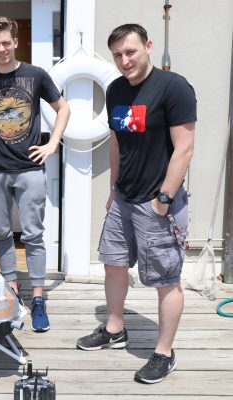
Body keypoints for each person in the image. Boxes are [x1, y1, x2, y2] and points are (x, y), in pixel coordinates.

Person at [76, 24, 196, 384]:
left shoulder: (174, 87)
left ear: (148, 46)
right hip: (124, 197)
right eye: (117, 55)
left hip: (157, 202)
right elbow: (117, 142)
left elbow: (185, 148)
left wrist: (164, 198)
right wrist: (113, 187)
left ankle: (164, 353)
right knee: (113, 264)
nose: (124, 60)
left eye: (130, 52)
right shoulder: (115, 90)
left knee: (165, 279)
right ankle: (115, 328)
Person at [0, 16, 70, 333]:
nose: (2, 49)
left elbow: (64, 109)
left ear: (16, 42)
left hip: (30, 169)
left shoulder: (35, 75)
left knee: (33, 235)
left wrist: (52, 145)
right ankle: (12, 292)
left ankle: (38, 297)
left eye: (7, 42)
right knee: (2, 234)